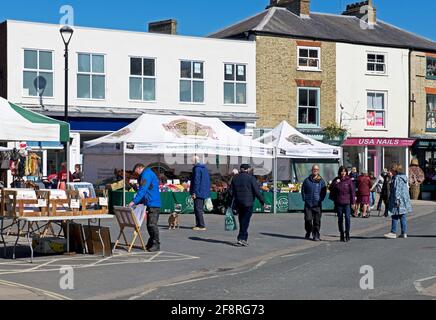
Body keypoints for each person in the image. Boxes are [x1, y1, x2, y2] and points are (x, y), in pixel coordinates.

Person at [229, 164, 265, 247]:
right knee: (245, 221)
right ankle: (242, 239)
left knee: (241, 220)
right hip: (248, 203)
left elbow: (231, 192)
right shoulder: (251, 178)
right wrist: (262, 201)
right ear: (247, 169)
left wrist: (230, 203)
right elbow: (256, 191)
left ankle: (241, 238)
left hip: (238, 203)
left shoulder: (235, 178)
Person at [129, 163, 162, 252]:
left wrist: (134, 201)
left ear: (140, 168)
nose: (137, 175)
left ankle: (156, 244)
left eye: (137, 172)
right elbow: (145, 190)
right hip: (150, 202)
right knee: (149, 225)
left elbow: (143, 189)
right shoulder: (145, 174)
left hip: (153, 203)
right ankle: (151, 242)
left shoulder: (146, 174)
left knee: (152, 224)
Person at [384, 163, 413, 239]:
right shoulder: (402, 177)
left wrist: (397, 200)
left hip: (398, 200)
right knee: (402, 216)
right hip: (404, 200)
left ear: (394, 171)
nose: (390, 172)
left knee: (394, 215)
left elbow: (397, 190)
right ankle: (404, 233)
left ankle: (393, 232)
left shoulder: (397, 178)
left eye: (391, 170)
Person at [329, 166, 355, 242]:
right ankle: (341, 233)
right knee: (340, 219)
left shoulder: (349, 180)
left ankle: (347, 233)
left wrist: (353, 203)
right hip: (339, 202)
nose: (343, 173)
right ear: (339, 172)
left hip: (347, 202)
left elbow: (352, 192)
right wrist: (335, 183)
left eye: (344, 171)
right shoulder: (337, 179)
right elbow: (331, 188)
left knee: (347, 218)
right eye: (341, 171)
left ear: (346, 172)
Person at [301, 165, 327, 241]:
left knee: (317, 220)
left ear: (318, 171)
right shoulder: (307, 180)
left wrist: (321, 199)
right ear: (312, 170)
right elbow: (303, 190)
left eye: (317, 169)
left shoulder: (321, 181)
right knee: (308, 219)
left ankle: (316, 234)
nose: (315, 170)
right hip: (308, 204)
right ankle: (308, 231)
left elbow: (324, 192)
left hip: (317, 204)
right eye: (314, 169)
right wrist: (304, 199)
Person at [190, 155, 211, 231]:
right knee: (199, 208)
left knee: (198, 209)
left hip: (198, 191)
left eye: (192, 161)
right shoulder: (204, 168)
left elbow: (196, 181)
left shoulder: (197, 169)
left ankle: (201, 225)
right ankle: (199, 224)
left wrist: (194, 192)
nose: (191, 162)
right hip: (203, 191)